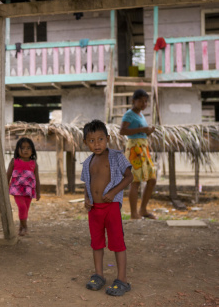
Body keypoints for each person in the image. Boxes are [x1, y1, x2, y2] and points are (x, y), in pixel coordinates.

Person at [81, 120, 133, 296]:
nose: (97, 144)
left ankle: (122, 280)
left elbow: (129, 177)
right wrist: (86, 199)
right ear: (85, 143)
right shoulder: (88, 162)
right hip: (94, 210)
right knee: (96, 243)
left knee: (117, 243)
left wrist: (113, 192)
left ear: (108, 139)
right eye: (92, 140)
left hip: (110, 207)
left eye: (100, 139)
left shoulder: (116, 156)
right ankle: (99, 275)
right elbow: (86, 184)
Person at [119, 89, 157, 220]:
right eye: (141, 100)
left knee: (152, 179)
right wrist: (142, 129)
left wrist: (148, 131)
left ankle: (143, 210)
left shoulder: (141, 115)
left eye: (146, 101)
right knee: (135, 182)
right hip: (134, 149)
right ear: (133, 101)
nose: (144, 103)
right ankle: (134, 214)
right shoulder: (129, 114)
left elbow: (140, 132)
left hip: (143, 149)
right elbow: (122, 131)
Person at [6, 137, 41, 236]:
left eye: (28, 148)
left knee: (25, 209)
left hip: (29, 191)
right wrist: (4, 188)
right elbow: (7, 175)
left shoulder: (34, 164)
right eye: (23, 148)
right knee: (22, 207)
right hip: (17, 190)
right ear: (17, 149)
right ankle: (25, 227)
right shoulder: (14, 161)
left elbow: (37, 179)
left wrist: (38, 192)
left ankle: (21, 228)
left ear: (32, 151)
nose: (26, 150)